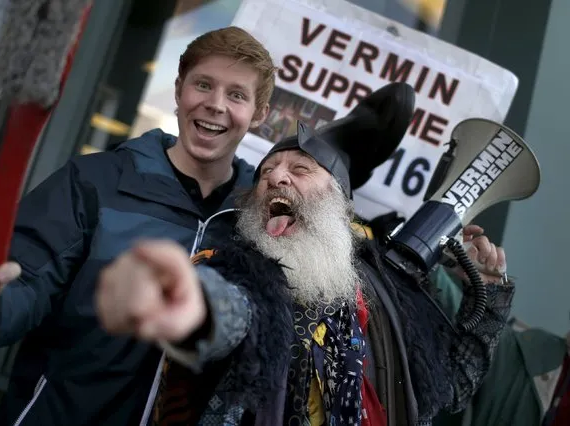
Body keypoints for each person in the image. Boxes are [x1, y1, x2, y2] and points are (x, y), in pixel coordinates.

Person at [0, 26, 275, 425]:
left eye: (236, 94)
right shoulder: (94, 181)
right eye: (203, 84)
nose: (215, 105)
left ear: (259, 114)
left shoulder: (257, 215)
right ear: (179, 90)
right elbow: (23, 283)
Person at [95, 113, 516, 425]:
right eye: (265, 174)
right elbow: (235, 310)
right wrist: (195, 305)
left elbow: (449, 388)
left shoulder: (388, 290)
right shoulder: (231, 271)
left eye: (299, 169)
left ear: (341, 205)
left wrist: (490, 293)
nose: (276, 179)